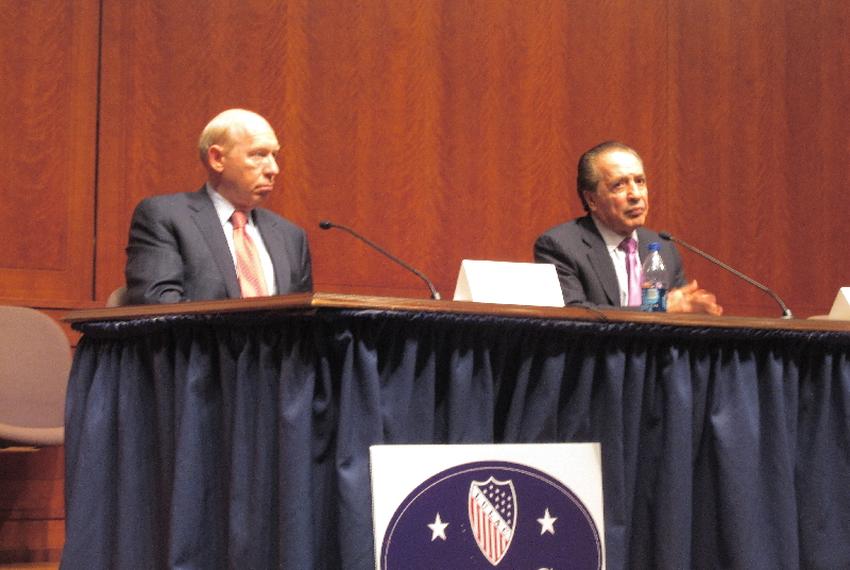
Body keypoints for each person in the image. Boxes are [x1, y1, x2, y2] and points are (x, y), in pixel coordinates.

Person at [124, 109, 312, 305]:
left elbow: (305, 320)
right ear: (217, 159)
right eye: (258, 154)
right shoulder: (165, 217)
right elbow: (158, 305)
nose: (273, 169)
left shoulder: (291, 236)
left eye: (274, 155)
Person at [534, 141, 722, 315]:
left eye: (640, 181)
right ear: (592, 199)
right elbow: (576, 314)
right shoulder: (561, 246)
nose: (635, 194)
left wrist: (693, 310)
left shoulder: (663, 247)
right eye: (619, 185)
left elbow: (678, 311)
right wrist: (658, 309)